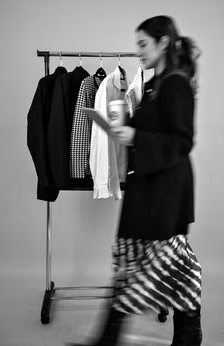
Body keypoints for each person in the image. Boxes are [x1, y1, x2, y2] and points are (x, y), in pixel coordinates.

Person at [67, 15, 202, 346]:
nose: (138, 51)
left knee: (156, 259)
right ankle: (187, 333)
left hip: (166, 188)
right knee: (145, 258)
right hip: (150, 184)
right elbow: (150, 130)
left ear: (164, 42)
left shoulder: (176, 83)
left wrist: (134, 134)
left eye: (143, 44)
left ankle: (112, 338)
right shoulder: (158, 82)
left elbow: (182, 141)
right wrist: (124, 126)